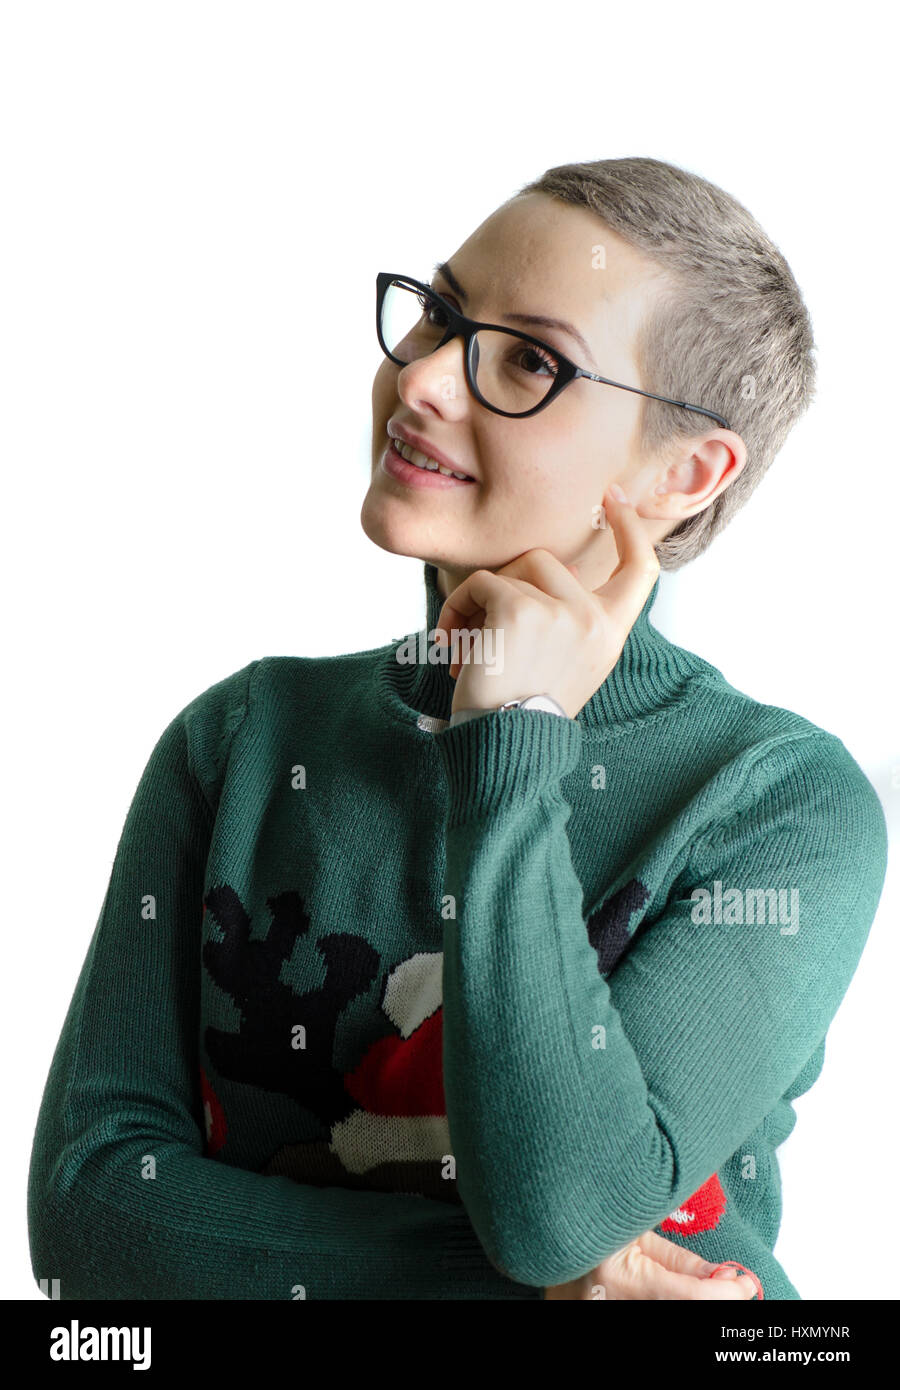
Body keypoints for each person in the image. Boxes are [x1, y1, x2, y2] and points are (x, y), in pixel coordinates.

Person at [28, 156, 887, 1301]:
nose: (424, 378)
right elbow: (92, 1213)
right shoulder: (241, 739)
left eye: (529, 359)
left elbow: (560, 1211)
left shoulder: (779, 801)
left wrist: (512, 735)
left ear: (686, 471)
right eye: (438, 314)